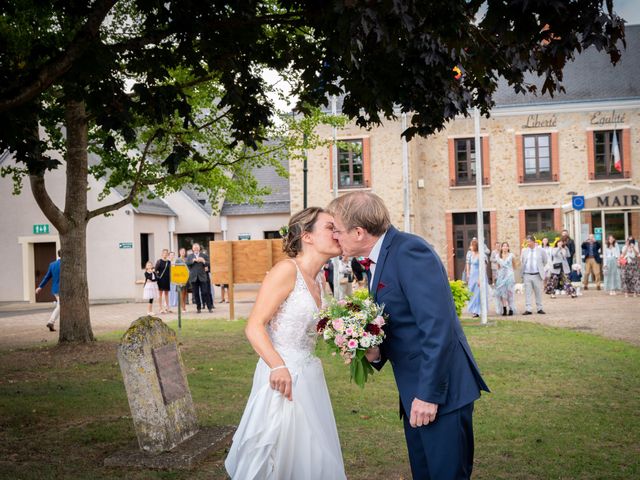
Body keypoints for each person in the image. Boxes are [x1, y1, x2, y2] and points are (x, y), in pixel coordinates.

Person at [328, 192, 489, 480]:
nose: (335, 238)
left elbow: (438, 328)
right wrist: (374, 351)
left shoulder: (410, 251)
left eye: (337, 231)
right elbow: (404, 323)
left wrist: (428, 395)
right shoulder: (383, 257)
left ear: (358, 231)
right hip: (415, 394)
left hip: (441, 394)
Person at [225, 207, 346, 479]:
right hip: (281, 377)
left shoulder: (319, 279)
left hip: (310, 374)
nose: (337, 233)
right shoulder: (285, 270)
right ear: (308, 236)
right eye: (330, 227)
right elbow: (254, 326)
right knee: (277, 452)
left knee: (312, 452)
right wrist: (278, 367)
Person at [520, 235, 548, 315]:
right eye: (527, 241)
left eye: (529, 241)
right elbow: (522, 261)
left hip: (537, 275)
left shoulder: (541, 250)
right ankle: (528, 309)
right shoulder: (524, 251)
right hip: (527, 274)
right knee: (528, 292)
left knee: (538, 292)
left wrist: (540, 268)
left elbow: (545, 261)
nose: (528, 243)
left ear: (533, 242)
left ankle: (539, 308)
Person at [35, 249, 61, 332]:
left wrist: (40, 287)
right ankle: (51, 321)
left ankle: (52, 322)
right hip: (63, 289)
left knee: (61, 306)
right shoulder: (67, 265)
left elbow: (47, 277)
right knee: (61, 305)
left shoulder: (52, 264)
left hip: (55, 289)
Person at [465, 239, 489, 318]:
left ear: (475, 246)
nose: (470, 247)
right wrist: (468, 274)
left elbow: (484, 267)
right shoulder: (470, 254)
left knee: (478, 293)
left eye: (471, 245)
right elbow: (468, 264)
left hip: (479, 275)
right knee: (471, 292)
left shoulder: (482, 255)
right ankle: (473, 309)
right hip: (472, 276)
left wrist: (480, 279)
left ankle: (477, 311)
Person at [186, 243, 213, 313]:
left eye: (197, 248)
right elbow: (187, 263)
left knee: (205, 292)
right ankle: (198, 308)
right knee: (196, 294)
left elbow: (209, 264)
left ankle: (209, 307)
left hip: (203, 277)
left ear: (199, 248)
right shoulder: (190, 256)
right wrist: (193, 261)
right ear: (192, 249)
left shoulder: (204, 255)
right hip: (194, 278)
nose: (196, 249)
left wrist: (203, 261)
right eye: (194, 248)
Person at [493, 242, 516, 316]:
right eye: (504, 246)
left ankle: (511, 309)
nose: (505, 247)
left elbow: (514, 266)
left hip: (509, 276)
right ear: (501, 248)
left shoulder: (511, 255)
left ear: (508, 248)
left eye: (506, 246)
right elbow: (498, 267)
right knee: (502, 293)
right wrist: (497, 276)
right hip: (501, 276)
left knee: (510, 293)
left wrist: (510, 272)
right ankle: (504, 308)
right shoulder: (498, 256)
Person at [155, 249, 172, 313]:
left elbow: (170, 271)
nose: (165, 254)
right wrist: (157, 277)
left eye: (166, 253)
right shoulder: (159, 261)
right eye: (164, 253)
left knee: (167, 294)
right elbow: (155, 270)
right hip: (161, 279)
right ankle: (160, 308)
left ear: (167, 254)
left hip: (167, 279)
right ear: (162, 254)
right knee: (160, 294)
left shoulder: (169, 262)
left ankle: (167, 307)